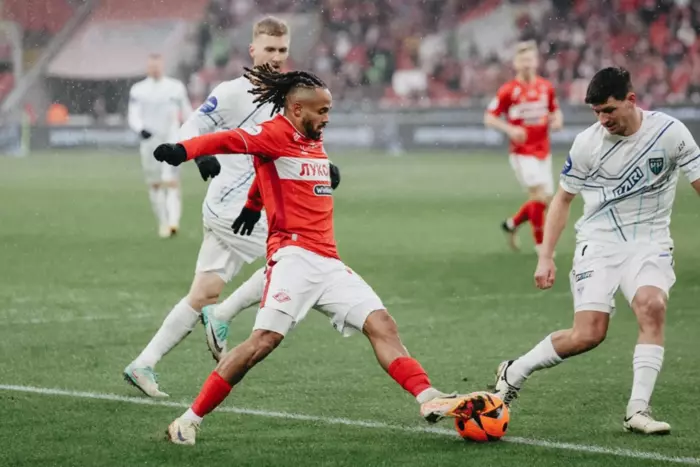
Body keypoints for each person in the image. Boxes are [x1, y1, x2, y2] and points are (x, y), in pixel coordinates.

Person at [153, 65, 488, 445]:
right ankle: (188, 420)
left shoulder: (311, 137)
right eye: (322, 110)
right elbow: (229, 140)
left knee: (382, 324)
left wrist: (252, 204)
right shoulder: (274, 132)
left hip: (328, 261)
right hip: (292, 258)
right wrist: (183, 151)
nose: (327, 118)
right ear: (297, 109)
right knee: (262, 343)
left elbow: (272, 171)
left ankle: (427, 397)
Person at [123, 17, 343, 397]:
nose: (276, 57)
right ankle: (223, 315)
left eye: (282, 50)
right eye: (269, 49)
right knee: (298, 260)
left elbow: (295, 141)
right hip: (232, 206)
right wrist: (197, 155)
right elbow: (192, 125)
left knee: (203, 293)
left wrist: (325, 165)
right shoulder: (231, 93)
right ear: (252, 50)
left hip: (246, 210)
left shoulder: (291, 95)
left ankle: (144, 363)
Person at [494, 67, 700, 435]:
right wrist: (545, 256)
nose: (603, 119)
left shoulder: (670, 133)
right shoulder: (587, 144)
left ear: (631, 100)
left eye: (609, 110)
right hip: (599, 243)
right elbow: (562, 200)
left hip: (650, 242)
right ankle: (515, 370)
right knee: (588, 334)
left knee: (652, 306)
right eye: (597, 112)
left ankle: (638, 410)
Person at [484, 40, 563, 253]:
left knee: (544, 200)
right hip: (522, 152)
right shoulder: (508, 90)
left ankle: (512, 224)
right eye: (522, 60)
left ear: (536, 62)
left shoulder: (545, 87)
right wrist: (510, 129)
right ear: (516, 64)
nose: (526, 64)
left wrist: (557, 120)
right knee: (537, 195)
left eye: (530, 59)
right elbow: (489, 118)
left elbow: (555, 110)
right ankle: (542, 246)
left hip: (543, 150)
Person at [128, 53, 192, 238]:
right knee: (155, 184)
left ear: (163, 66)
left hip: (171, 140)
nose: (155, 69)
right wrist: (140, 129)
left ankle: (173, 222)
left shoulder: (175, 88)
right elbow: (133, 114)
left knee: (171, 180)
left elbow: (187, 112)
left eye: (157, 65)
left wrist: (190, 131)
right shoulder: (138, 90)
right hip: (149, 143)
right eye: (152, 66)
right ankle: (163, 222)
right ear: (148, 67)